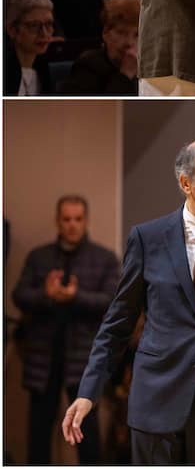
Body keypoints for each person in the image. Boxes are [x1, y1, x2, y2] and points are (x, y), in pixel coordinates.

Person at [63, 137, 195, 463]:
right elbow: (117, 323)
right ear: (186, 182)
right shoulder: (148, 238)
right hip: (156, 400)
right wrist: (89, 392)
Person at [13, 195, 120, 465]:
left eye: (78, 219)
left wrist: (75, 296)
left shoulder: (104, 258)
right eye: (66, 219)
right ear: (57, 221)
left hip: (84, 359)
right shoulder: (39, 257)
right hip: (42, 359)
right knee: (38, 434)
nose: (72, 225)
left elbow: (113, 302)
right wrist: (46, 295)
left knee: (88, 435)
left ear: (86, 221)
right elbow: (19, 296)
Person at [60, 0, 141, 95]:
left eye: (137, 35)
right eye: (121, 33)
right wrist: (126, 74)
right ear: (105, 33)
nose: (129, 42)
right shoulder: (88, 66)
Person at [4, 0, 57, 95]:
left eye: (48, 24)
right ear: (12, 30)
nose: (44, 33)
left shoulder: (43, 68)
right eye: (34, 26)